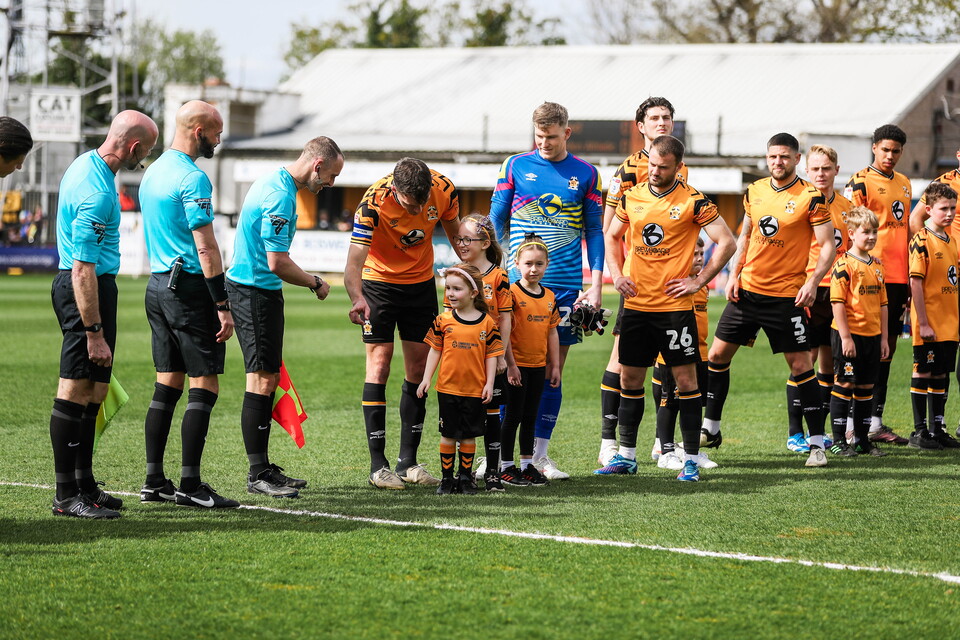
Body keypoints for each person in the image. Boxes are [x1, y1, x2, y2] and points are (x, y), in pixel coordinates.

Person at [598, 136, 735, 481]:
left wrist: (698, 281)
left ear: (677, 166)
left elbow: (727, 242)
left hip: (674, 308)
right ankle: (627, 456)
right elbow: (611, 236)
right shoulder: (632, 196)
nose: (655, 172)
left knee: (686, 381)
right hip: (636, 306)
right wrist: (616, 274)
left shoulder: (693, 200)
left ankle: (690, 458)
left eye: (663, 167)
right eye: (652, 165)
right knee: (630, 377)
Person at [49, 110, 158, 518]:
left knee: (95, 390)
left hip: (97, 287)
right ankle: (65, 495)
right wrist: (93, 331)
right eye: (144, 153)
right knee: (74, 388)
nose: (142, 160)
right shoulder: (95, 189)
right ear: (132, 147)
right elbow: (81, 268)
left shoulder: (87, 164)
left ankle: (85, 485)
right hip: (84, 289)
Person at [702, 132, 835, 467]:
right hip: (746, 291)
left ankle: (816, 445)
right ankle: (711, 428)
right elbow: (745, 234)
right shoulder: (755, 191)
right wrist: (733, 274)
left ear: (797, 159)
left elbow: (828, 246)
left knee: (801, 366)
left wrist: (812, 282)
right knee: (716, 355)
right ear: (767, 158)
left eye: (785, 157)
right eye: (774, 156)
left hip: (785, 297)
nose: (778, 162)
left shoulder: (811, 196)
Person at [489, 102, 603, 480]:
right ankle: (501, 457)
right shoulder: (514, 166)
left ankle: (538, 456)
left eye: (552, 137)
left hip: (565, 288)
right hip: (514, 288)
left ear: (566, 133)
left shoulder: (586, 174)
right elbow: (495, 221)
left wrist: (597, 283)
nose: (545, 144)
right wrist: (491, 271)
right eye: (539, 136)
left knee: (552, 372)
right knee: (507, 371)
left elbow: (595, 231)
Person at [227, 136, 341, 498]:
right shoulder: (279, 194)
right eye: (332, 176)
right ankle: (257, 473)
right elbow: (277, 263)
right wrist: (316, 282)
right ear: (317, 165)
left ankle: (263, 468)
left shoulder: (276, 182)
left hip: (258, 291)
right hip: (254, 292)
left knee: (267, 377)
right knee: (261, 380)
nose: (330, 185)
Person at [138, 100, 238, 508]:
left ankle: (153, 481)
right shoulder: (192, 178)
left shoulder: (153, 172)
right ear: (199, 132)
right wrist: (223, 303)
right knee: (205, 382)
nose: (219, 139)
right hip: (189, 287)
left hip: (157, 286)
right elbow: (207, 247)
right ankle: (190, 486)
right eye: (216, 132)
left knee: (167, 383)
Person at [345, 158, 460, 490]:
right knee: (379, 365)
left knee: (420, 368)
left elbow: (457, 241)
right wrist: (357, 298)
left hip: (421, 285)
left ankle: (407, 462)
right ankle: (378, 466)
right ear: (395, 189)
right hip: (378, 284)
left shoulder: (444, 189)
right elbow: (353, 262)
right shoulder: (372, 204)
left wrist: (478, 277)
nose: (420, 208)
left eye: (424, 201)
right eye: (412, 203)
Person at [598, 97, 689, 466]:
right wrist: (617, 276)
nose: (662, 123)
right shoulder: (630, 170)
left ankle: (662, 443)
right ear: (641, 126)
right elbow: (610, 228)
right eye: (654, 118)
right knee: (623, 358)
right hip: (638, 283)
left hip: (672, 284)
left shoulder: (680, 166)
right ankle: (610, 443)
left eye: (667, 117)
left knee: (669, 360)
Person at [843, 125, 912, 444]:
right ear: (874, 148)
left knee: (886, 350)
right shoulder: (859, 181)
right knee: (856, 349)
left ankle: (874, 422)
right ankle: (846, 424)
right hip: (865, 275)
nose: (890, 156)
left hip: (898, 278)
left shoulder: (905, 182)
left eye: (896, 151)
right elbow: (849, 226)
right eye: (885, 150)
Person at [785, 145, 852, 453]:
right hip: (807, 291)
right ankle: (795, 433)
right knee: (804, 361)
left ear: (836, 170)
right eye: (815, 169)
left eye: (827, 168)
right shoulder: (798, 204)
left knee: (828, 364)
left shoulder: (848, 209)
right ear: (806, 172)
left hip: (838, 293)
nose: (821, 174)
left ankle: (819, 432)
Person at [419, 264, 504, 495]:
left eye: (457, 289)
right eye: (448, 288)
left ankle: (465, 478)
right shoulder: (442, 320)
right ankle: (447, 479)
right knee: (447, 435)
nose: (450, 294)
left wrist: (488, 383)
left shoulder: (487, 323)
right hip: (447, 389)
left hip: (474, 391)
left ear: (474, 293)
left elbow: (492, 355)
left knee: (468, 436)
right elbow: (435, 350)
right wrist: (426, 379)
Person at [444, 213, 512, 492]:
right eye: (458, 238)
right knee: (463, 418)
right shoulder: (456, 273)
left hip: (489, 359)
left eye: (467, 239)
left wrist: (502, 357)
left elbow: (506, 318)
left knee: (493, 414)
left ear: (485, 243)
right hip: (463, 361)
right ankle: (464, 474)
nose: (460, 243)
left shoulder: (498, 276)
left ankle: (493, 472)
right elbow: (447, 320)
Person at [499, 235, 561, 486]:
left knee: (530, 416)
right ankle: (505, 466)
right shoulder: (511, 293)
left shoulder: (549, 297)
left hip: (538, 367)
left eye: (539, 264)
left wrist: (554, 365)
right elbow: (504, 332)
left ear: (547, 264)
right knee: (512, 415)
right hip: (516, 367)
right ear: (516, 264)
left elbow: (552, 331)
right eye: (528, 264)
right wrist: (511, 365)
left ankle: (526, 465)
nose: (533, 269)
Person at [828, 206, 889, 457]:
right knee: (844, 384)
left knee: (866, 388)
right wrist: (845, 337)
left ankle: (862, 440)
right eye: (866, 232)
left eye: (875, 231)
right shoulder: (844, 265)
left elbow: (884, 304)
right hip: (849, 336)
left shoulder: (877, 266)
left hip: (872, 337)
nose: (872, 236)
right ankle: (838, 441)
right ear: (851, 234)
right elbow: (837, 303)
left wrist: (884, 337)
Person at [906, 182, 960, 450]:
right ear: (928, 210)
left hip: (950, 324)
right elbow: (915, 282)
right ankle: (919, 432)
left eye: (952, 208)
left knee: (940, 375)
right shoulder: (922, 240)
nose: (949, 213)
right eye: (943, 209)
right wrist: (923, 322)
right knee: (924, 373)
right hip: (928, 323)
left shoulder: (951, 241)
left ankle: (938, 428)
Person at [650, 238, 711, 471]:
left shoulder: (701, 284)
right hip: (674, 354)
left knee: (693, 402)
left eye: (700, 254)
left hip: (700, 353)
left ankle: (688, 450)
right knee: (670, 401)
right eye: (692, 253)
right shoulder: (673, 283)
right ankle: (664, 450)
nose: (697, 258)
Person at [909, 145, 960, 237]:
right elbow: (915, 219)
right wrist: (933, 246)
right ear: (958, 155)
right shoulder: (944, 183)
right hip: (952, 251)